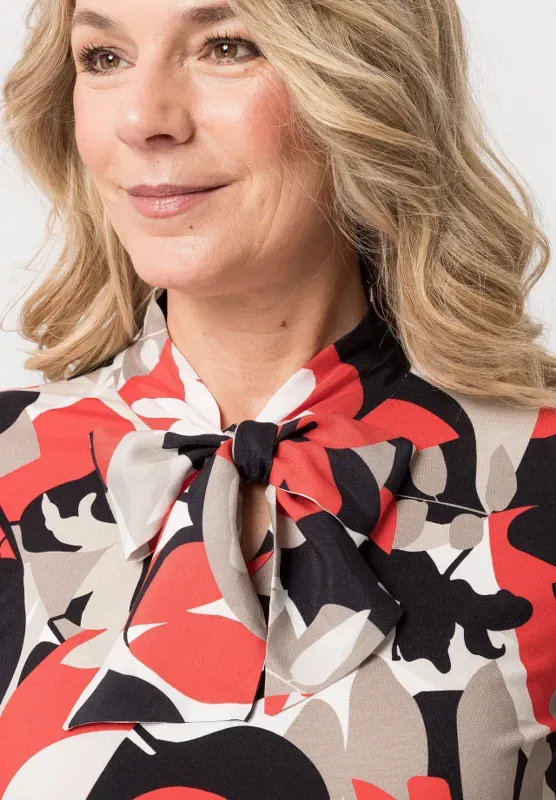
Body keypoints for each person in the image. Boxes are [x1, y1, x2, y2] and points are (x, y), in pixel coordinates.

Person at [0, 0, 554, 796]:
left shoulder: (539, 479)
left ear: (368, 80)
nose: (143, 119)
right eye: (104, 58)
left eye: (227, 47)